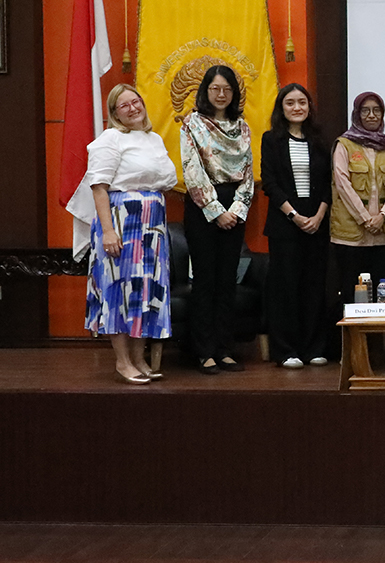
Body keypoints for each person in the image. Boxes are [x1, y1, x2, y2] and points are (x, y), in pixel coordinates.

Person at [74, 84, 178, 384]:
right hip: (121, 223)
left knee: (144, 291)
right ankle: (122, 361)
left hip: (151, 227)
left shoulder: (154, 139)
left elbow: (165, 181)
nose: (133, 108)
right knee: (118, 291)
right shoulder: (109, 139)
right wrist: (108, 231)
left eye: (136, 101)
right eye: (124, 105)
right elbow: (99, 187)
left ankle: (139, 358)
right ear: (114, 113)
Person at [180, 65, 254, 375]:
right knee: (205, 281)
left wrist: (236, 210)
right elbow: (192, 171)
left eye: (227, 89)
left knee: (227, 281)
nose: (221, 94)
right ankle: (204, 351)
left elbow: (248, 173)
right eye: (215, 89)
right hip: (203, 208)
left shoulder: (242, 126)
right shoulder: (192, 123)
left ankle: (225, 348)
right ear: (206, 91)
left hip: (234, 207)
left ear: (234, 93)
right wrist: (215, 210)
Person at [261, 83, 331, 369]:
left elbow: (328, 184)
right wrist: (294, 215)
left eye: (302, 102)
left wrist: (319, 216)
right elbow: (270, 183)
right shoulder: (271, 139)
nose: (297, 107)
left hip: (317, 223)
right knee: (285, 288)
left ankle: (314, 347)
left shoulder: (319, 140)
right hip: (285, 225)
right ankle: (286, 350)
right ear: (281, 108)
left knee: (314, 287)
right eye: (290, 103)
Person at [330, 92, 385, 313]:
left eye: (376, 110)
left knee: (382, 296)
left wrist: (382, 215)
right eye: (365, 110)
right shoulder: (344, 144)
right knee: (351, 294)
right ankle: (352, 336)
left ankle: (378, 336)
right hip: (351, 235)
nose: (371, 115)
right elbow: (342, 185)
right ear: (357, 114)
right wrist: (365, 218)